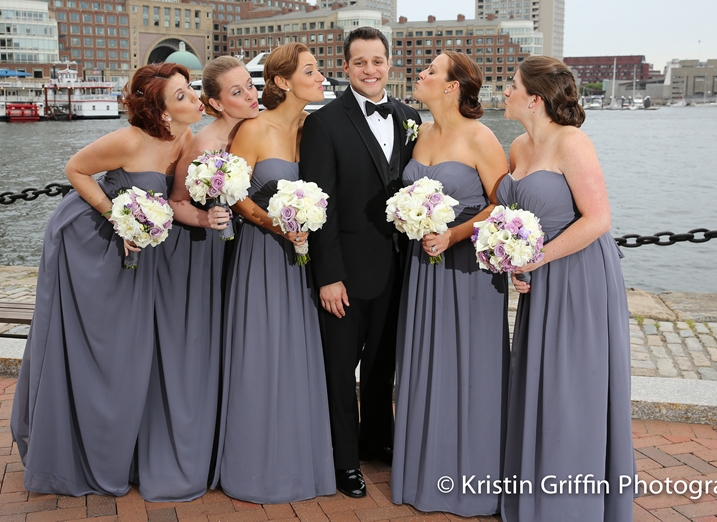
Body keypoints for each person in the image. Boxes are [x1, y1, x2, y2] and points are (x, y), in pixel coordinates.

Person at [11, 62, 207, 497]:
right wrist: (115, 217)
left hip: (139, 248)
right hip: (93, 243)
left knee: (135, 352)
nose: (194, 99)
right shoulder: (128, 139)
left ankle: (130, 450)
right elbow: (75, 169)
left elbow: (175, 200)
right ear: (160, 112)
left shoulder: (187, 138)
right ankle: (81, 451)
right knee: (104, 349)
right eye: (181, 96)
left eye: (191, 90)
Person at [497, 56, 635, 521]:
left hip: (579, 279)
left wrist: (535, 258)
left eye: (512, 84)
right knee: (541, 384)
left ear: (534, 98)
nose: (505, 90)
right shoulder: (518, 145)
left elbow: (598, 220)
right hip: (539, 282)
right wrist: (511, 259)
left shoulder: (572, 142)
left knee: (573, 390)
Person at [212, 42, 336, 504]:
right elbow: (235, 193)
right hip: (262, 256)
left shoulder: (313, 130)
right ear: (283, 82)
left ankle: (297, 459)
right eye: (311, 70)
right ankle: (256, 465)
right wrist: (274, 223)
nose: (321, 76)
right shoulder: (253, 129)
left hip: (301, 259)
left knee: (298, 354)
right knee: (262, 352)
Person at [132, 56, 260, 501]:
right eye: (238, 92)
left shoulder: (254, 130)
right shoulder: (204, 141)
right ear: (215, 102)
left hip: (244, 252)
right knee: (197, 349)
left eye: (249, 86)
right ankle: (188, 452)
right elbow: (176, 200)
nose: (250, 95)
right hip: (199, 253)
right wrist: (207, 220)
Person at [389, 52, 510, 516]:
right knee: (425, 363)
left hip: (468, 273)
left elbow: (503, 206)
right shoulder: (420, 135)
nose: (421, 74)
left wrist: (455, 232)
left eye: (431, 71)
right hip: (423, 271)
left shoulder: (481, 137)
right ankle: (425, 471)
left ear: (452, 86)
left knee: (469, 366)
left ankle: (473, 478)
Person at [300, 27, 416, 498]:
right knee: (339, 369)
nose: (371, 69)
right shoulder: (324, 123)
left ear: (390, 64)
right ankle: (345, 461)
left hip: (399, 269)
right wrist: (328, 275)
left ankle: (376, 443)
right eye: (360, 62)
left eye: (378, 60)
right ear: (345, 67)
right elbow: (319, 203)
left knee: (382, 365)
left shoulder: (410, 117)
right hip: (345, 271)